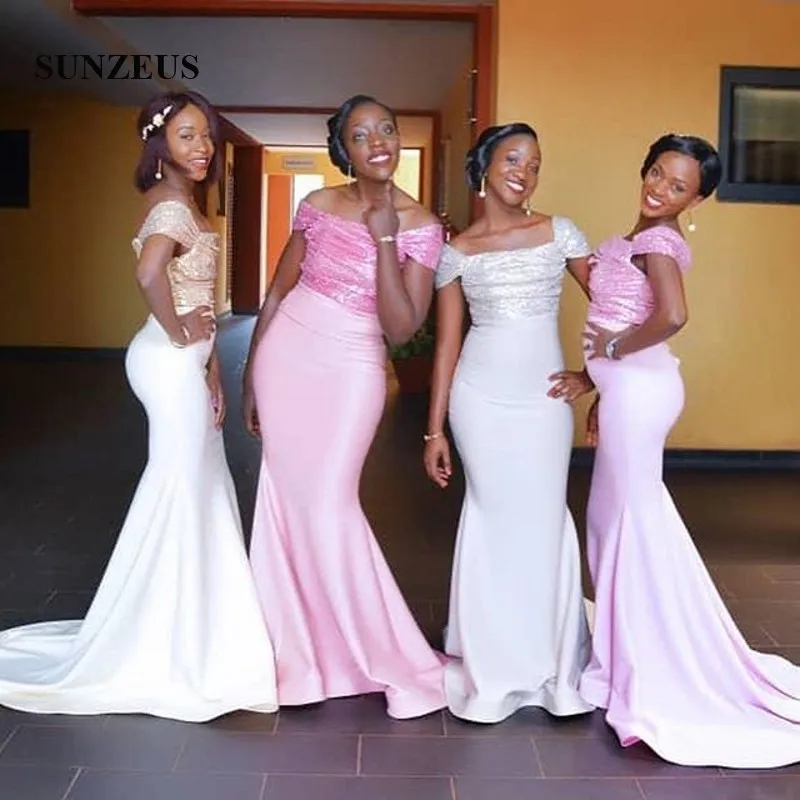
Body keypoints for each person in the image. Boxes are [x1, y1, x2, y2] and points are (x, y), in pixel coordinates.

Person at [0, 91, 278, 722]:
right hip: (166, 362)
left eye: (205, 135)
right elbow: (151, 274)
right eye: (186, 136)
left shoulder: (182, 201)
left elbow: (191, 290)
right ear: (160, 145)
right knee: (178, 485)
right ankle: (158, 630)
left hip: (183, 362)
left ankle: (192, 616)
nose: (202, 147)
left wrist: (210, 362)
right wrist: (180, 334)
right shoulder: (172, 206)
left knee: (198, 483)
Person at [579, 132, 800, 768]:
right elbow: (620, 312)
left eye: (678, 186)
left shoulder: (657, 242)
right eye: (656, 172)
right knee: (616, 520)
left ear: (696, 199)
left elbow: (672, 316)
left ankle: (650, 656)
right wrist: (599, 384)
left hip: (641, 392)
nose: (660, 189)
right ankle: (630, 645)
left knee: (628, 521)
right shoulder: (642, 236)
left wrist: (614, 351)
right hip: (629, 393)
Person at [241, 94, 447, 719]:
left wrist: (385, 240)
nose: (378, 141)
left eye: (386, 129)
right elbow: (278, 291)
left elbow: (401, 327)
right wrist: (251, 374)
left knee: (330, 503)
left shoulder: (422, 225)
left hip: (355, 364)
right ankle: (297, 649)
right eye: (361, 134)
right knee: (285, 502)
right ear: (344, 150)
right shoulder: (317, 205)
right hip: (287, 356)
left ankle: (374, 651)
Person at [423, 122, 596, 723]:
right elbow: (447, 345)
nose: (525, 172)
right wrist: (435, 429)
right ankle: (494, 660)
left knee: (543, 518)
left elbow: (615, 304)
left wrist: (591, 375)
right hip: (479, 400)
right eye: (514, 159)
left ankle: (550, 663)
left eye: (535, 163)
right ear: (485, 166)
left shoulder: (560, 231)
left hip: (543, 402)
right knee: (494, 518)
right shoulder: (457, 250)